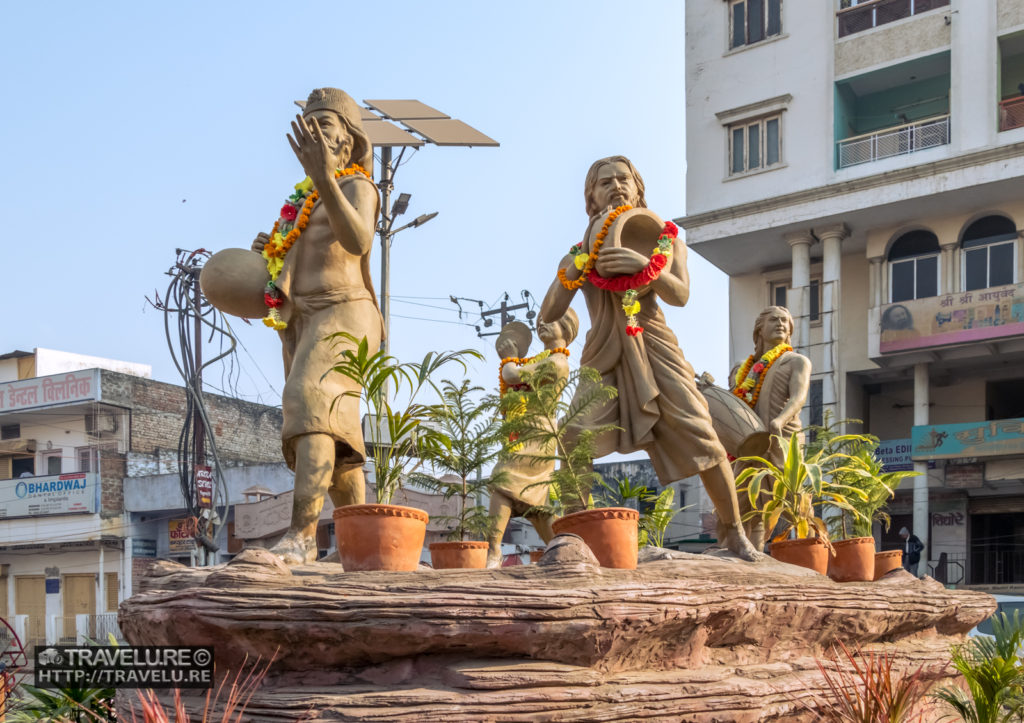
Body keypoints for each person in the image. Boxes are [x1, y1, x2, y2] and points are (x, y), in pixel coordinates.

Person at [539, 156, 758, 561]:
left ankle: (734, 533)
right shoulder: (578, 253)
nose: (616, 186)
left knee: (705, 437)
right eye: (605, 182)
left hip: (655, 347)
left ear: (638, 188)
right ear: (591, 197)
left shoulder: (666, 237)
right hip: (605, 353)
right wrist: (570, 271)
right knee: (573, 438)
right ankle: (578, 533)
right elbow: (548, 314)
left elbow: (680, 295)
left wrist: (645, 267)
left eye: (624, 179)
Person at [248, 88, 383, 565]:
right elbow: (294, 259)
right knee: (333, 428)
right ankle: (363, 543)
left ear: (348, 142)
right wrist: (272, 248)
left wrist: (326, 177)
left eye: (324, 125)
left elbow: (359, 238)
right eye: (309, 125)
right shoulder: (303, 200)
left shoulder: (356, 186)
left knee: (311, 401)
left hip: (345, 311)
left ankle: (302, 535)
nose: (313, 133)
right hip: (305, 319)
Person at [485, 312, 578, 568]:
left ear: (566, 328)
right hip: (525, 432)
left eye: (551, 321)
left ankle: (493, 553)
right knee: (537, 507)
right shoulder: (543, 358)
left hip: (538, 433)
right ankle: (564, 554)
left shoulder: (558, 362)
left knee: (502, 480)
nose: (543, 326)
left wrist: (508, 358)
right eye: (540, 323)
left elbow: (513, 376)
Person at [722, 306, 811, 549]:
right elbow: (733, 403)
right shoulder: (743, 369)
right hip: (750, 441)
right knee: (745, 495)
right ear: (759, 329)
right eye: (774, 320)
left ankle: (809, 549)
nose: (782, 324)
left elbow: (798, 398)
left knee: (790, 496)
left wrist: (779, 421)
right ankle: (747, 548)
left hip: (783, 439)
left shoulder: (797, 361)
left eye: (786, 321)